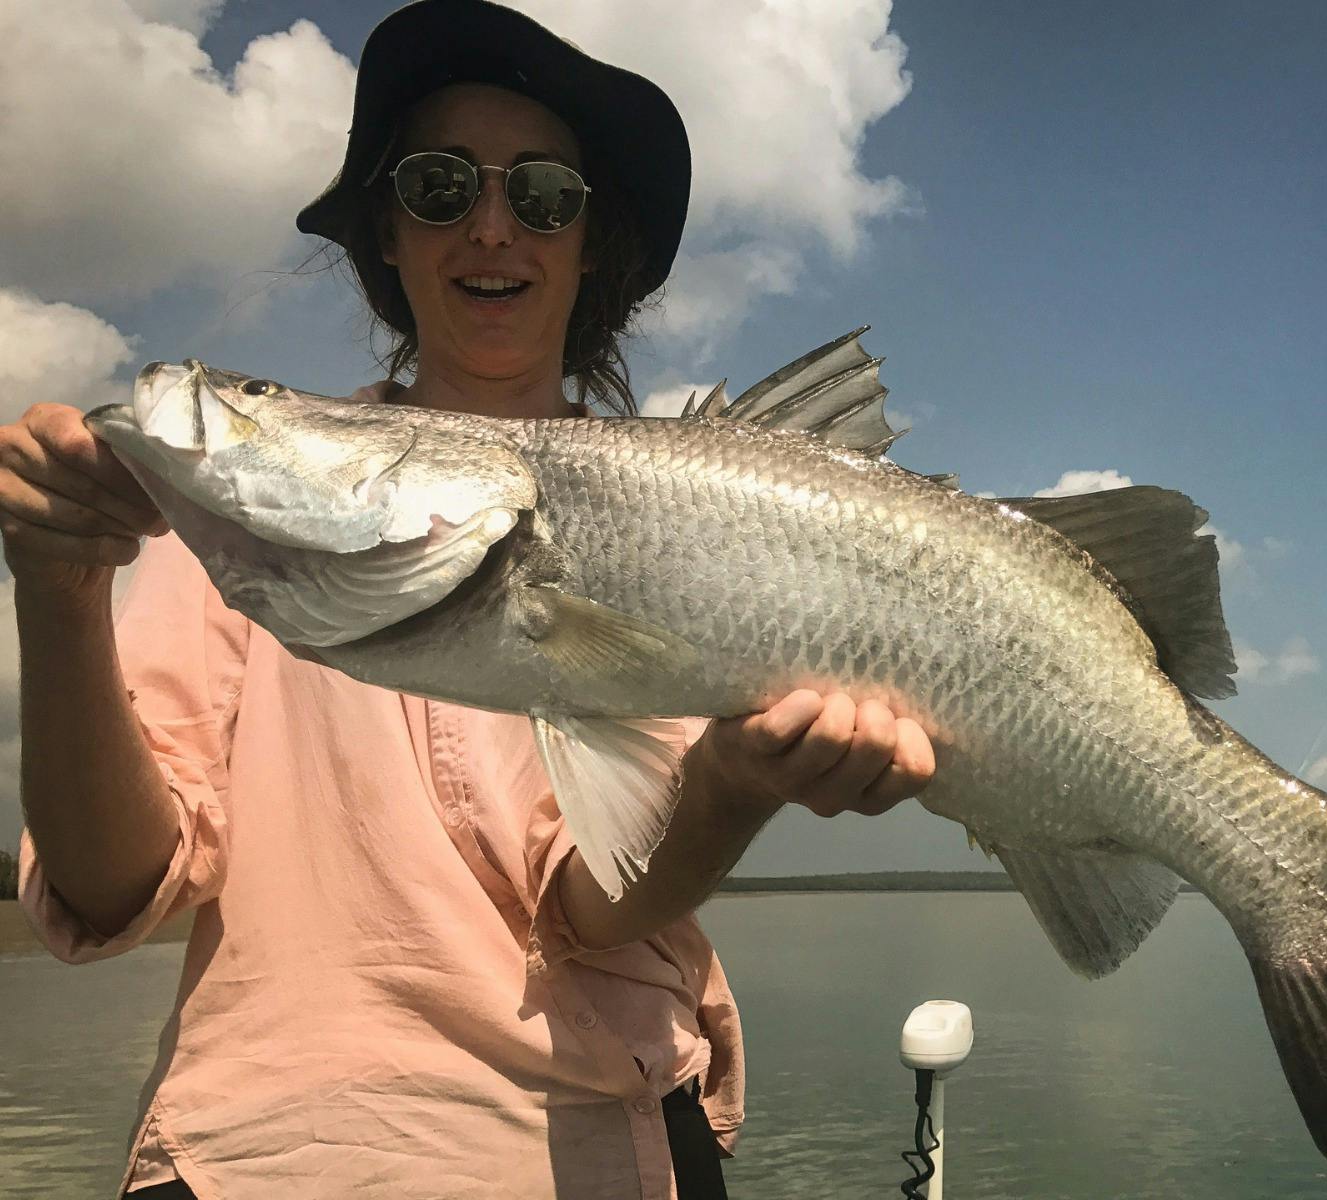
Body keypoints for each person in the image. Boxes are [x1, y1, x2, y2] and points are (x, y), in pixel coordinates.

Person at [0, 2, 936, 1197]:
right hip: (268, 1158)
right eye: (441, 185)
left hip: (617, 1140)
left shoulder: (694, 536)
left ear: (590, 241)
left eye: (544, 194)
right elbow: (106, 885)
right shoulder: (232, 524)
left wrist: (727, 788)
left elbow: (596, 908)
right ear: (386, 231)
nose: (493, 224)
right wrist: (62, 589)